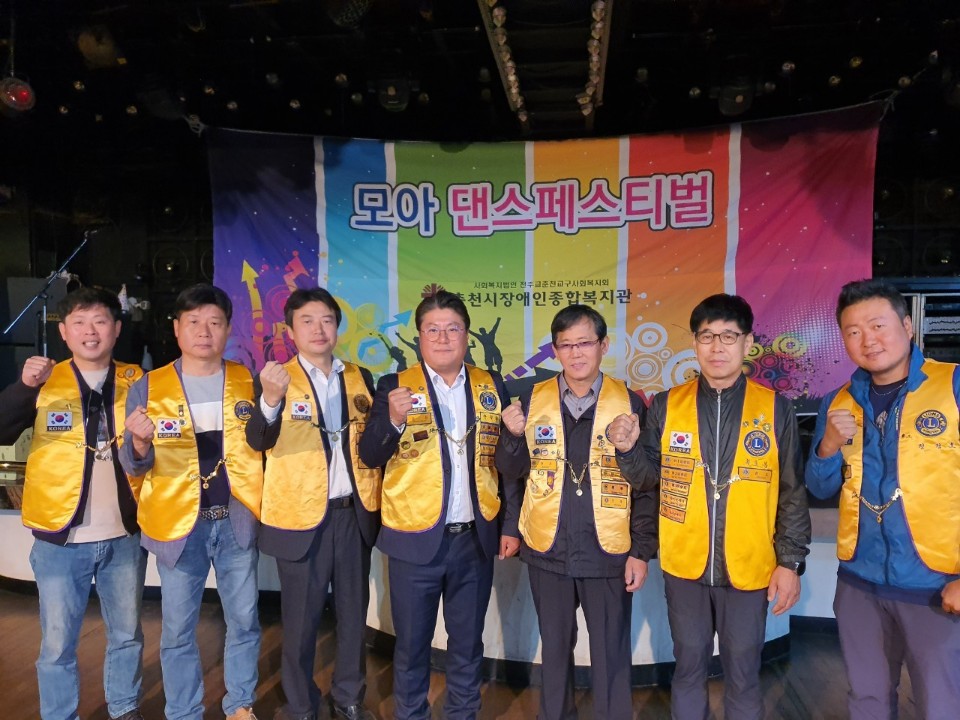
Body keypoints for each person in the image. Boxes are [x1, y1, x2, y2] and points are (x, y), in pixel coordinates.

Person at [637, 293, 810, 720]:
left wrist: (790, 562)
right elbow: (646, 480)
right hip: (685, 563)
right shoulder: (667, 404)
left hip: (749, 564)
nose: (717, 347)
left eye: (728, 336)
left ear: (747, 343)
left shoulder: (775, 408)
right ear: (694, 343)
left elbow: (791, 490)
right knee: (688, 668)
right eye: (707, 336)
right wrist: (626, 450)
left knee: (744, 674)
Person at [358, 290, 516, 720]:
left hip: (474, 540)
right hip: (414, 541)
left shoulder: (490, 385)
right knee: (411, 645)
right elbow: (369, 455)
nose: (443, 338)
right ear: (419, 337)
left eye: (452, 329)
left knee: (467, 645)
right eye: (433, 330)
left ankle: (463, 713)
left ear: (466, 335)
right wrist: (392, 420)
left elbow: (505, 464)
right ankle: (411, 714)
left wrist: (509, 526)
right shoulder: (394, 385)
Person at [805, 279, 960, 719]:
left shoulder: (952, 385)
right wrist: (827, 446)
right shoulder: (838, 401)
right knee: (867, 699)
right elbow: (819, 487)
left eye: (878, 325)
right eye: (853, 331)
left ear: (907, 326)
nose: (867, 340)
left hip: (936, 582)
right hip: (859, 582)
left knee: (941, 704)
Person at [494, 304, 657, 720]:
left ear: (604, 345)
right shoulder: (532, 399)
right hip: (548, 549)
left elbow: (645, 484)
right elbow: (511, 473)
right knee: (554, 651)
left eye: (585, 343)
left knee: (610, 653)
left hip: (608, 552)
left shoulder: (630, 403)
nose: (576, 353)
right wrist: (511, 437)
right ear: (555, 351)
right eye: (566, 345)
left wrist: (641, 550)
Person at [0, 287, 147, 720]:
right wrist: (23, 387)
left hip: (124, 536)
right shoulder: (44, 380)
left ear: (116, 329)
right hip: (60, 539)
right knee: (57, 644)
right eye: (79, 322)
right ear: (63, 332)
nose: (90, 331)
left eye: (100, 321)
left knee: (127, 636)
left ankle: (124, 708)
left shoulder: (138, 381)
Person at [119, 283, 264, 720]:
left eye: (215, 322)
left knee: (244, 620)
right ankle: (183, 711)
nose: (205, 331)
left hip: (236, 520)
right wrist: (140, 443)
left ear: (228, 329)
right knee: (178, 629)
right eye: (194, 322)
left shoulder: (248, 382)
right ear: (177, 329)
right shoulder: (149, 386)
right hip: (180, 525)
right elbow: (132, 462)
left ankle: (240, 703)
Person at [245, 288, 381, 720]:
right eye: (307, 320)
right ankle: (300, 705)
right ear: (290, 330)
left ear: (337, 326)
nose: (318, 329)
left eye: (326, 320)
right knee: (301, 622)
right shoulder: (274, 378)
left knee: (353, 617)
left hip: (352, 515)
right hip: (301, 519)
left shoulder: (360, 377)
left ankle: (349, 698)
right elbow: (257, 440)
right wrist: (270, 400)